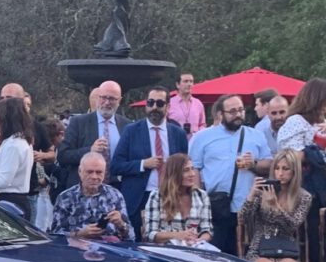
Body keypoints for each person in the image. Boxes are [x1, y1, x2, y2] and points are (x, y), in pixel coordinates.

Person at [189, 94, 272, 255]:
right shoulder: (203, 137)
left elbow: (269, 165)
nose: (238, 114)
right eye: (232, 111)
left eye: (240, 110)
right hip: (216, 207)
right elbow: (194, 170)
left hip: (247, 208)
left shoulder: (255, 135)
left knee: (245, 256)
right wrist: (198, 201)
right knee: (215, 256)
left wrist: (253, 164)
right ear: (220, 114)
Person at [277, 78, 326, 262]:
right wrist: (314, 149)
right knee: (306, 229)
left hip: (319, 182)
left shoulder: (322, 123)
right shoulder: (296, 122)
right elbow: (290, 155)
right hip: (302, 183)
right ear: (318, 98)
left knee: (319, 227)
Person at [111, 86, 189, 240]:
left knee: (167, 245)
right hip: (139, 198)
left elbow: (184, 168)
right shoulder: (131, 131)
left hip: (169, 197)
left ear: (168, 106)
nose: (154, 107)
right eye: (150, 102)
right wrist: (142, 164)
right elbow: (115, 166)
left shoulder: (177, 133)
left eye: (159, 104)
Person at [237, 149, 312, 262]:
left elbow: (292, 226)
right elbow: (242, 219)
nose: (280, 173)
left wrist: (276, 207)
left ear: (294, 171)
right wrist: (251, 194)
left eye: (285, 169)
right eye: (277, 169)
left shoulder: (303, 196)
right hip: (260, 248)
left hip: (286, 248)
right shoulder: (262, 192)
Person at [58, 80, 127, 193]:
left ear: (119, 100)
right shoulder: (78, 122)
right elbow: (63, 156)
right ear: (97, 98)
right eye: (103, 97)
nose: (106, 102)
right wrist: (89, 150)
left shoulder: (126, 125)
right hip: (83, 192)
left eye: (112, 99)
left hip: (116, 190)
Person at [49, 152, 134, 241]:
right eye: (89, 172)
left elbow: (131, 237)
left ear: (105, 173)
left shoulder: (115, 195)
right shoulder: (65, 198)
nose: (94, 176)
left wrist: (120, 224)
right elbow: (55, 235)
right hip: (76, 250)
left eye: (99, 172)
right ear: (80, 172)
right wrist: (80, 234)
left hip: (109, 249)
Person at [141, 153, 213, 246]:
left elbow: (207, 230)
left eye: (192, 169)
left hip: (194, 249)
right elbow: (150, 234)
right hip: (165, 251)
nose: (192, 174)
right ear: (174, 174)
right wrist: (178, 235)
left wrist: (198, 241)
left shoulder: (201, 195)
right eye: (186, 170)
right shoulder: (157, 196)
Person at [168, 73, 206, 139]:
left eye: (191, 81)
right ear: (177, 85)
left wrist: (199, 134)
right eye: (185, 81)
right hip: (176, 141)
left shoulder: (198, 103)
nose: (189, 84)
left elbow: (202, 124)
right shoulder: (169, 103)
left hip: (195, 142)